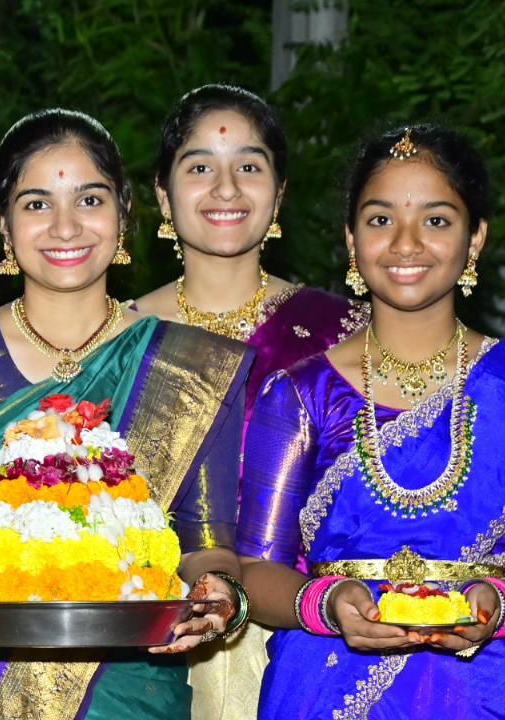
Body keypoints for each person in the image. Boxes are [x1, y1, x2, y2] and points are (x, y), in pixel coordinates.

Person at [0, 109, 254, 720]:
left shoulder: (192, 366)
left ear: (124, 214)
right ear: (2, 223)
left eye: (89, 198)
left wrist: (221, 595)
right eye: (36, 204)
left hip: (130, 689)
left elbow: (208, 544)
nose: (65, 226)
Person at [237, 124, 505, 719]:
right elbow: (253, 571)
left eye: (436, 220)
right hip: (323, 685)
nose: (406, 243)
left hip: (489, 690)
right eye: (380, 219)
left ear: (475, 238)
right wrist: (324, 604)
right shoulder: (300, 394)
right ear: (352, 240)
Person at [131, 84, 368, 719]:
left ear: (280, 191)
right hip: (150, 635)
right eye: (200, 166)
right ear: (162, 193)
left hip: (316, 629)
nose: (227, 188)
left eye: (250, 166)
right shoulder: (118, 337)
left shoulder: (345, 334)